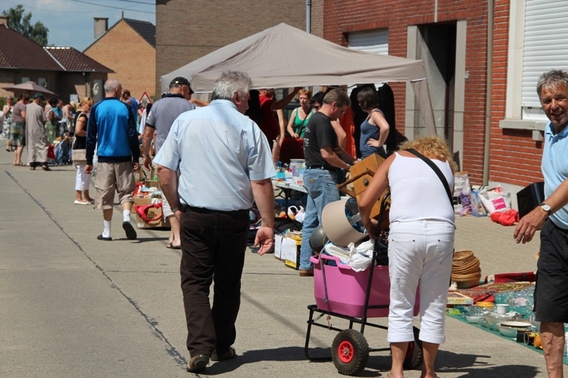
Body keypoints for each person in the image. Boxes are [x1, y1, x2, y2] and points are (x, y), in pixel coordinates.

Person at [153, 71, 275, 374]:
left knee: (194, 283)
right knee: (227, 284)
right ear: (237, 97)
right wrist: (268, 224)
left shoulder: (187, 121)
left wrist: (175, 206)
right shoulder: (249, 127)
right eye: (248, 99)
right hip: (234, 218)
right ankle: (220, 345)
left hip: (196, 214)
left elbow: (164, 172)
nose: (249, 105)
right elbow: (260, 181)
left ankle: (200, 346)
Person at [358, 135, 457, 378]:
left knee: (401, 303)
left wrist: (368, 223)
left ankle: (397, 371)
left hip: (405, 233)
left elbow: (365, 201)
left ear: (410, 148)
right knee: (434, 304)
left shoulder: (394, 159)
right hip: (441, 233)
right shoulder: (445, 165)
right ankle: (429, 371)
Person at [514, 69, 568, 378]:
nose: (554, 105)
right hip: (555, 234)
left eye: (560, 97)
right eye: (547, 100)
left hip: (551, 217)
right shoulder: (550, 130)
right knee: (549, 312)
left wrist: (543, 209)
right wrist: (531, 209)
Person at [298, 89, 356, 277]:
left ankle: (306, 263)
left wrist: (354, 162)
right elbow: (327, 154)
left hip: (312, 173)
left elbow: (337, 150)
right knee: (330, 222)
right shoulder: (322, 122)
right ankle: (328, 265)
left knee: (310, 221)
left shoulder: (315, 119)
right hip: (323, 175)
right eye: (342, 111)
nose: (342, 115)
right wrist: (347, 168)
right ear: (334, 105)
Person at [142, 76, 195, 249]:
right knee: (182, 195)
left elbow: (148, 134)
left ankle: (177, 236)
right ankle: (175, 235)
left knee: (167, 197)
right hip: (185, 157)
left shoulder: (157, 105)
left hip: (163, 157)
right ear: (183, 89)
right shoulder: (189, 107)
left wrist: (146, 155)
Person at [85, 79, 140, 241]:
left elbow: (90, 137)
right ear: (116, 89)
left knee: (105, 193)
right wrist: (135, 157)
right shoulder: (126, 108)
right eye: (121, 88)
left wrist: (89, 160)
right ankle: (126, 218)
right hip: (123, 156)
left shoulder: (96, 108)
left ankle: (107, 231)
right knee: (126, 191)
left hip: (105, 157)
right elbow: (132, 134)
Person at [357, 86, 390, 158]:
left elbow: (385, 127)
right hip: (369, 154)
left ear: (367, 101)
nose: (359, 104)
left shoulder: (375, 113)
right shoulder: (371, 114)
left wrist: (379, 143)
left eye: (361, 102)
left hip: (373, 154)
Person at [73, 97, 95, 205]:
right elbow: (78, 131)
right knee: (82, 172)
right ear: (83, 105)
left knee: (86, 173)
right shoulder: (82, 116)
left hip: (82, 146)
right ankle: (78, 197)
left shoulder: (79, 115)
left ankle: (86, 195)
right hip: (81, 146)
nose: (90, 108)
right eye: (89, 105)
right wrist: (90, 134)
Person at [26, 93, 50, 171]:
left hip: (29, 129)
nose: (42, 102)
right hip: (38, 128)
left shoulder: (27, 107)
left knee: (31, 145)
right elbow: (44, 120)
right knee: (42, 145)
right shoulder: (39, 108)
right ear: (38, 99)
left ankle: (32, 163)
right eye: (41, 100)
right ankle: (44, 163)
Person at [11, 93, 30, 166]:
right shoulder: (22, 106)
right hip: (20, 124)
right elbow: (24, 116)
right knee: (20, 144)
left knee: (15, 144)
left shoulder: (16, 104)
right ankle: (19, 160)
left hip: (13, 124)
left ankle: (15, 160)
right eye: (27, 101)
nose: (27, 102)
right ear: (24, 99)